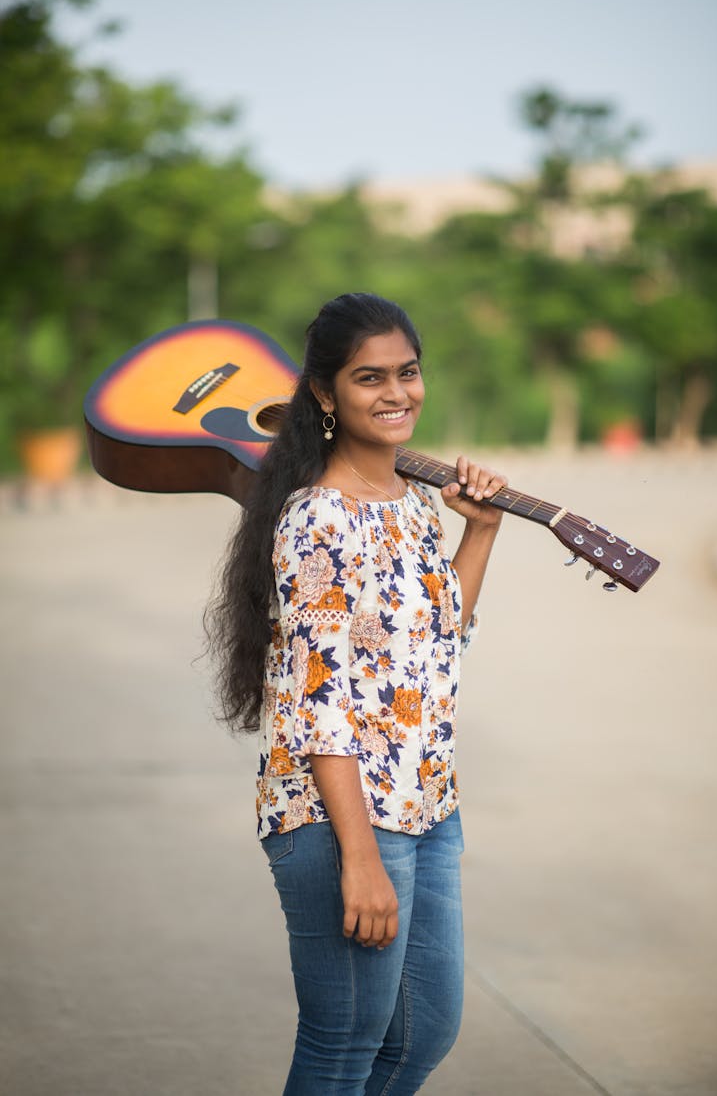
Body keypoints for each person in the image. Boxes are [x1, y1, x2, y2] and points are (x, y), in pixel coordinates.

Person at [205, 293, 506, 1094]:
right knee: (344, 1043)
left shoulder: (412, 506)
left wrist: (479, 529)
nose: (396, 392)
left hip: (426, 804)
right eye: (368, 377)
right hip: (340, 816)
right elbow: (317, 702)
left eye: (407, 372)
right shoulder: (317, 521)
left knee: (423, 1033)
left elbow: (440, 647)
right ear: (323, 393)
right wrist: (361, 858)